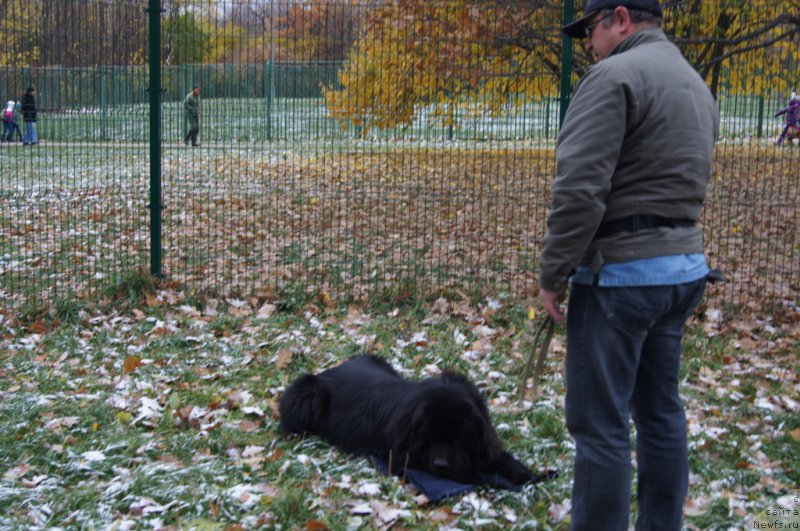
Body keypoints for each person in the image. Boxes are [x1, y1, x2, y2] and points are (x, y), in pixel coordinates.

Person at [538, 1, 719, 529]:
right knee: (660, 412)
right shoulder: (693, 81)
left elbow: (579, 191)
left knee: (600, 425)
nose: (588, 45)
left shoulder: (612, 76)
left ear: (620, 18)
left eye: (590, 31)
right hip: (683, 272)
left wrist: (553, 272)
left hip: (620, 277)